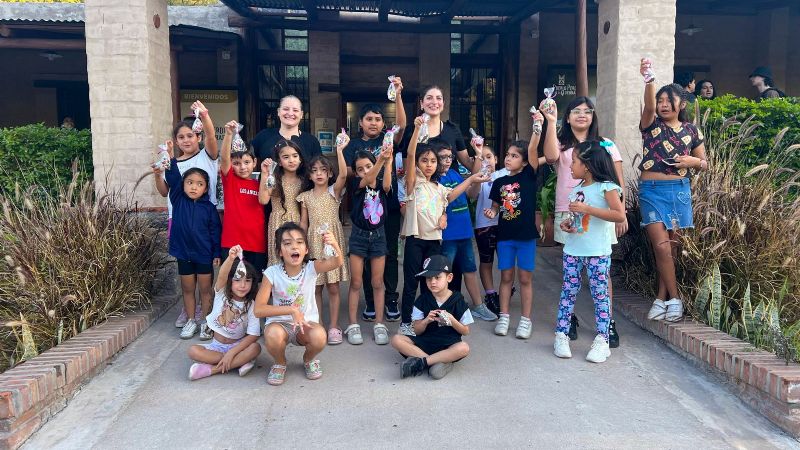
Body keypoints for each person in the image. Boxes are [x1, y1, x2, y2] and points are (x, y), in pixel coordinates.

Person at [541, 97, 626, 348]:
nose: (582, 115)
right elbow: (549, 155)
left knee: (601, 271)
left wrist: (623, 215)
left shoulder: (606, 144)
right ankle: (570, 320)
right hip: (568, 209)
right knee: (571, 270)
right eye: (575, 111)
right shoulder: (563, 144)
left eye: (587, 111)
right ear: (567, 117)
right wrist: (550, 121)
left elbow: (618, 181)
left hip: (601, 214)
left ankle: (606, 322)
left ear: (593, 116)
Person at [398, 116, 489, 337]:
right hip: (415, 240)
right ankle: (406, 322)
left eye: (432, 161)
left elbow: (454, 192)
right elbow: (410, 155)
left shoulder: (439, 188)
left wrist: (471, 180)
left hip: (434, 243)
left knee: (430, 284)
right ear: (417, 163)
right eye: (424, 161)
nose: (429, 165)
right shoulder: (412, 184)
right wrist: (417, 128)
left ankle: (426, 320)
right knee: (411, 283)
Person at [638, 59, 708, 323]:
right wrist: (649, 80)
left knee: (672, 249)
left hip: (679, 190)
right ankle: (675, 299)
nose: (663, 104)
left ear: (682, 104)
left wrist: (692, 162)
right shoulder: (651, 125)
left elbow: (705, 163)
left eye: (669, 100)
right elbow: (647, 106)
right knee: (662, 247)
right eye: (661, 100)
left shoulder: (692, 130)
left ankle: (660, 298)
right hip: (652, 191)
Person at [552, 141, 626, 363]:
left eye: (574, 162)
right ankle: (561, 334)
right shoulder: (576, 190)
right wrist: (568, 223)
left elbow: (619, 215)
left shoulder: (607, 187)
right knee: (568, 292)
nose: (570, 166)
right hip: (573, 250)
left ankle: (603, 340)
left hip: (598, 252)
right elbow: (576, 219)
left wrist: (588, 209)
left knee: (600, 295)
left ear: (588, 165)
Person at [343, 81, 406, 322]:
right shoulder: (354, 145)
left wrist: (398, 94)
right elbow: (349, 173)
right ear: (360, 122)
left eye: (378, 119)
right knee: (364, 256)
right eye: (369, 118)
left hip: (387, 207)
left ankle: (390, 297)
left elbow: (402, 126)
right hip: (363, 211)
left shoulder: (389, 140)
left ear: (383, 123)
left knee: (388, 253)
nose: (374, 123)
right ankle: (370, 300)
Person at [154, 101, 219, 329]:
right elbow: (165, 191)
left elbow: (212, 136)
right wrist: (160, 170)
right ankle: (189, 311)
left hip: (203, 220)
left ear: (198, 137)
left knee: (204, 277)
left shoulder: (206, 157)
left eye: (191, 135)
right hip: (178, 220)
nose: (187, 140)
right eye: (181, 137)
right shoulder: (171, 163)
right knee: (187, 275)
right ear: (176, 140)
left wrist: (205, 114)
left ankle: (204, 314)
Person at [254, 222, 344, 385]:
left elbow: (337, 262)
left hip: (305, 324)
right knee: (273, 335)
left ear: (306, 249)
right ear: (280, 252)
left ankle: (308, 360)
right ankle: (280, 363)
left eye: (299, 242)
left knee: (319, 336)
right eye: (287, 243)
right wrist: (291, 310)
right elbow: (258, 310)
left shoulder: (311, 268)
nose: (294, 247)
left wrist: (333, 243)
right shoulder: (271, 273)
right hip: (280, 324)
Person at [160, 143, 221, 340]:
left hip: (203, 253)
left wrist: (217, 253)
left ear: (205, 188)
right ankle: (190, 321)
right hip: (184, 253)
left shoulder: (209, 208)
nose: (194, 187)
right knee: (187, 289)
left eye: (200, 184)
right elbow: (173, 177)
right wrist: (169, 156)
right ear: (183, 185)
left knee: (205, 290)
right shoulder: (178, 199)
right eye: (190, 182)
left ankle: (205, 322)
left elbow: (215, 232)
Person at [432, 138, 497, 321]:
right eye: (442, 157)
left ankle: (478, 305)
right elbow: (448, 198)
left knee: (470, 269)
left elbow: (472, 194)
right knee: (444, 273)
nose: (447, 160)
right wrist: (470, 180)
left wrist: (475, 179)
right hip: (447, 235)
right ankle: (443, 308)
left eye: (449, 156)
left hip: (464, 232)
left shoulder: (454, 173)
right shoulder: (434, 179)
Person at [484, 132, 541, 339]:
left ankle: (525, 320)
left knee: (525, 278)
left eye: (514, 156)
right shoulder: (499, 182)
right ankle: (504, 316)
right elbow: (495, 207)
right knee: (506, 277)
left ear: (525, 161)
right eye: (507, 155)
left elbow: (534, 149)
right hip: (505, 237)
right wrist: (491, 212)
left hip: (525, 237)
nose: (508, 158)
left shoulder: (529, 175)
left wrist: (536, 130)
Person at [297, 136, 350, 345]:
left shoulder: (333, 192)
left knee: (334, 287)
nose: (319, 174)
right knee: (316, 286)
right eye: (315, 170)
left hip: (332, 241)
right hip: (313, 242)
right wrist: (302, 245)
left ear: (329, 174)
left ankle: (334, 326)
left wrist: (339, 151)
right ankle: (317, 323)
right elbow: (303, 223)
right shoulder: (305, 196)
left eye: (324, 170)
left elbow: (344, 174)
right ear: (309, 175)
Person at [390, 255, 472, 380]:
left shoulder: (458, 300)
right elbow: (417, 330)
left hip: (448, 343)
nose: (432, 282)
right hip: (425, 342)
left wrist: (452, 321)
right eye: (428, 279)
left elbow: (466, 331)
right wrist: (426, 321)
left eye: (437, 277)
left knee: (464, 348)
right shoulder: (422, 299)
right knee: (396, 339)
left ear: (449, 278)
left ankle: (421, 363)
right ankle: (439, 362)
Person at [187, 245, 262, 380]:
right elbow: (222, 275)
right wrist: (230, 258)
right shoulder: (221, 293)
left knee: (255, 348)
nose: (243, 285)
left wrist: (232, 352)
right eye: (237, 280)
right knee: (193, 351)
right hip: (217, 347)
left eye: (248, 281)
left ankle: (213, 369)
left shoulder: (251, 305)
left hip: (238, 346)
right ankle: (239, 362)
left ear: (253, 283)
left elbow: (253, 335)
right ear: (229, 281)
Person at [344, 145, 394, 346]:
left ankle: (379, 323)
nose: (365, 171)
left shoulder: (381, 183)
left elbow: (388, 186)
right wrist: (380, 160)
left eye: (368, 166)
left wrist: (387, 162)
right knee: (356, 282)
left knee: (377, 282)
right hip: (358, 236)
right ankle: (353, 324)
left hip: (379, 237)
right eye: (360, 168)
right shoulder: (357, 183)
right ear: (356, 173)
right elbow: (367, 179)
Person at [219, 121, 267, 277]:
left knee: (254, 284)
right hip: (232, 244)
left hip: (257, 243)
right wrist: (228, 135)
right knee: (232, 284)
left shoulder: (260, 184)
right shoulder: (230, 180)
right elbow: (224, 159)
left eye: (247, 162)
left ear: (255, 163)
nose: (242, 167)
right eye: (237, 163)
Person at [467, 144, 508, 316]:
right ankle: (490, 294)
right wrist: (478, 177)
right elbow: (472, 195)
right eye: (481, 158)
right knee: (486, 262)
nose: (486, 161)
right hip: (484, 226)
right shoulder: (478, 178)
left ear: (497, 159)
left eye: (489, 156)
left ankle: (506, 289)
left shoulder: (504, 174)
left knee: (506, 262)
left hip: (505, 225)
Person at [259, 139, 306, 266]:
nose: (291, 160)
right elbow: (263, 200)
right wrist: (265, 174)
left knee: (295, 260)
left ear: (300, 158)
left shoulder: (304, 181)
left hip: (297, 222)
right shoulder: (273, 178)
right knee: (277, 260)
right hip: (277, 222)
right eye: (286, 157)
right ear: (279, 161)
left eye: (295, 156)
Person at [251, 95, 322, 163]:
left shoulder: (312, 141)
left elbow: (319, 168)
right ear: (278, 112)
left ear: (301, 114)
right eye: (286, 109)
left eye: (295, 110)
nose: (290, 113)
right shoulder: (263, 136)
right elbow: (245, 158)